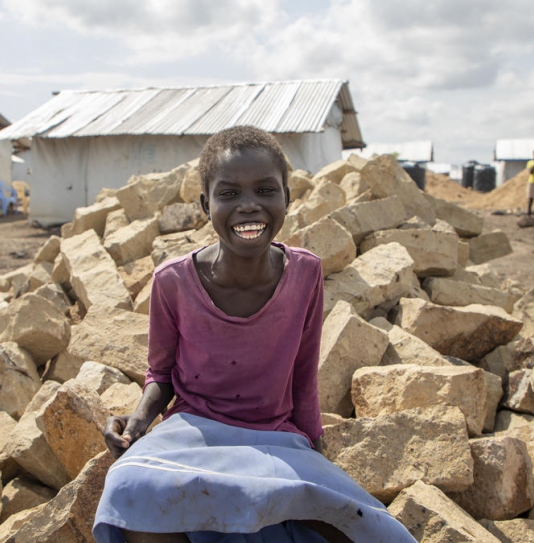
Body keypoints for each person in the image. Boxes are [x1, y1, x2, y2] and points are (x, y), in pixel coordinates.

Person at [93, 126, 417, 543]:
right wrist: (136, 423)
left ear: (288, 196)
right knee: (129, 489)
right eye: (229, 194)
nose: (249, 206)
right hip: (194, 432)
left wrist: (315, 449)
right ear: (205, 204)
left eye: (266, 190)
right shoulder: (172, 281)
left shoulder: (306, 273)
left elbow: (303, 374)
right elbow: (162, 374)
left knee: (367, 526)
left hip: (275, 437)